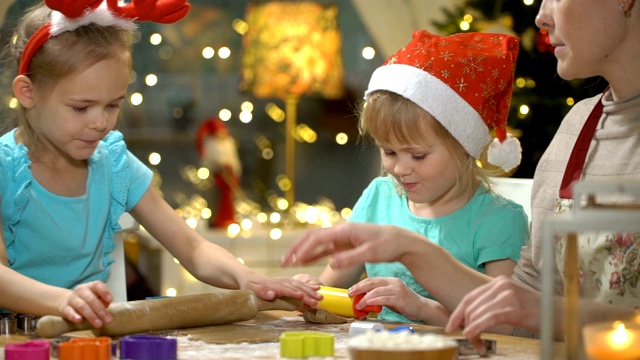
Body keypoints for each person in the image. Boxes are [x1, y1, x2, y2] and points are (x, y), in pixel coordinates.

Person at [282, 0, 640, 352]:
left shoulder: (497, 217)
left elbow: (527, 312)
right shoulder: (575, 128)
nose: (541, 15)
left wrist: (415, 264)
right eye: (389, 151)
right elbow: (520, 314)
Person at [0, 0, 319, 329]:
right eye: (81, 107)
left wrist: (247, 277)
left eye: (113, 105)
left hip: (87, 340)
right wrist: (62, 301)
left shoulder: (114, 163)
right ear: (27, 92)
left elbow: (193, 249)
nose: (100, 122)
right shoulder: (3, 169)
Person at [292, 29, 529, 326]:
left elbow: (505, 324)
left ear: (465, 148)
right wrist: (312, 294)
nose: (401, 169)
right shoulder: (379, 196)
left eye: (417, 156)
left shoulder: (499, 220)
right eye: (389, 152)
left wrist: (421, 308)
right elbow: (335, 289)